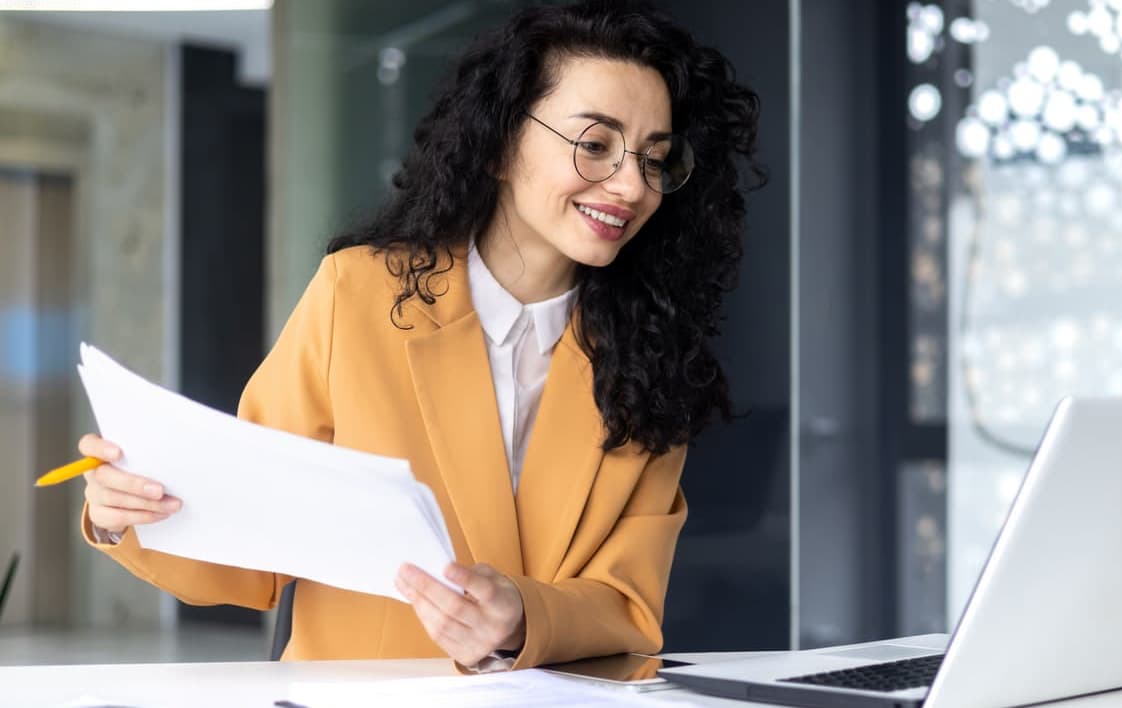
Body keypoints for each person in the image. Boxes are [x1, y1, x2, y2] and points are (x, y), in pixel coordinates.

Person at [74, 0, 761, 670]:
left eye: (653, 159)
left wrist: (520, 616)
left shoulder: (650, 357)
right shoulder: (359, 294)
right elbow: (254, 551)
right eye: (596, 145)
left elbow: (628, 608)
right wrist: (130, 512)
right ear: (498, 144)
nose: (629, 185)